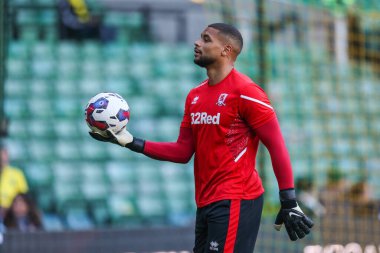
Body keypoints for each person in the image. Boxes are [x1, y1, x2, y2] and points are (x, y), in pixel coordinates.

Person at [90, 23, 313, 252]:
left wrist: (289, 200)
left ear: (226, 50)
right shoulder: (195, 96)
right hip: (206, 202)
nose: (197, 43)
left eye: (206, 39)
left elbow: (276, 145)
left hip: (236, 199)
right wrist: (131, 142)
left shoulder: (247, 92)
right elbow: (183, 151)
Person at [0, 142, 29, 219]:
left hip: (12, 216)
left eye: (4, 154)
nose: (2, 158)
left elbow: (24, 199)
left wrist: (9, 209)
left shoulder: (17, 174)